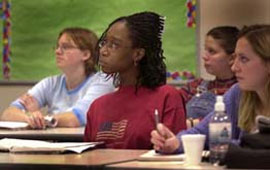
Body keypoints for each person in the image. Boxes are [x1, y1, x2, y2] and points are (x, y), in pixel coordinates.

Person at [151, 24, 270, 153]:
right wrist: (175, 142)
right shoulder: (238, 93)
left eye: (244, 59)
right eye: (236, 58)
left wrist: (228, 147)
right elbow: (201, 131)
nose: (234, 67)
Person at [84, 11, 186, 149]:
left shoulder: (167, 97)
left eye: (114, 45)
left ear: (137, 54)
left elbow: (173, 154)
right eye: (104, 42)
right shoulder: (97, 106)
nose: (103, 51)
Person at [1, 27, 115, 129]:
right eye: (57, 46)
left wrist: (40, 119)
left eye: (65, 47)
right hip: (54, 144)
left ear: (86, 54)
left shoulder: (102, 81)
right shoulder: (50, 83)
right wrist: (31, 117)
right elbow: (7, 114)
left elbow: (73, 120)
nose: (57, 51)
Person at [179, 26, 239, 127]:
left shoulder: (241, 92)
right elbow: (170, 106)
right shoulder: (195, 86)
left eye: (212, 51)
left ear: (232, 58)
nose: (204, 56)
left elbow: (232, 122)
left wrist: (191, 123)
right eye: (206, 50)